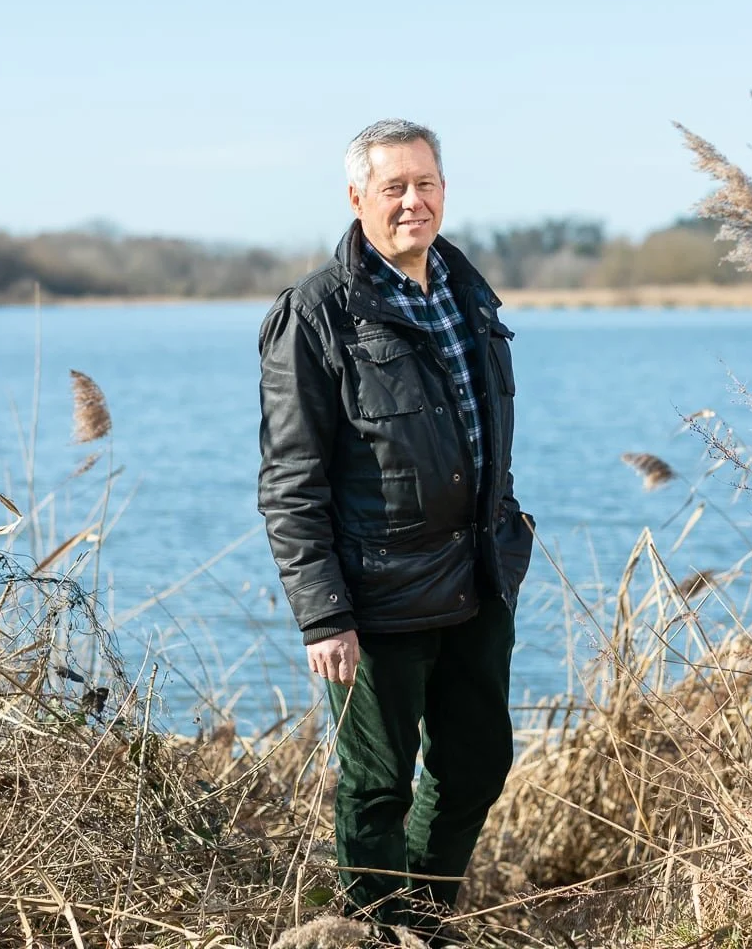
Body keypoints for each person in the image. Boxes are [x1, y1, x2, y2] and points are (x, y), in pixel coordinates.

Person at [257, 118, 533, 938]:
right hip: (377, 595)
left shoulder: (467, 293)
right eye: (394, 188)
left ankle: (419, 919)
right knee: (378, 786)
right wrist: (323, 613)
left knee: (478, 763)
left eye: (426, 184)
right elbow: (290, 480)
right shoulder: (316, 315)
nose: (414, 202)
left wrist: (507, 535)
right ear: (357, 198)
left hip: (478, 576)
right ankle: (374, 930)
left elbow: (485, 430)